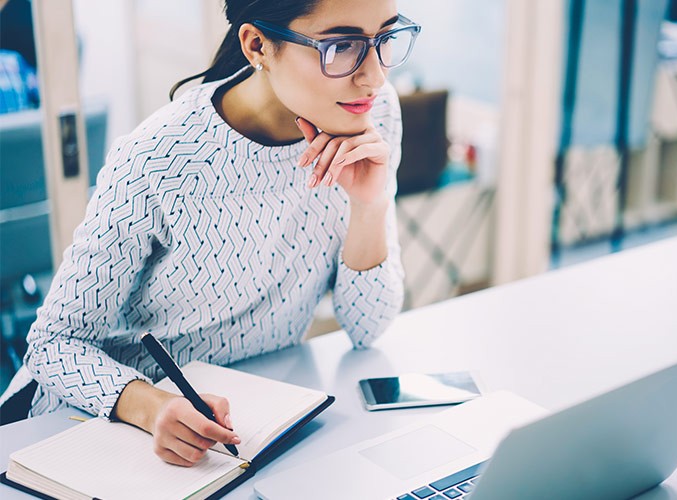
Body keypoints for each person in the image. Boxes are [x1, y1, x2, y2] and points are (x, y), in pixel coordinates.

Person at [0, 0, 419, 467]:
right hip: (98, 429)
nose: (374, 77)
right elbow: (53, 344)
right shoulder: (159, 158)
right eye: (342, 46)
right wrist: (148, 406)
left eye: (384, 39)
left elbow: (368, 328)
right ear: (257, 44)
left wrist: (369, 205)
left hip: (249, 428)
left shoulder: (372, 115)